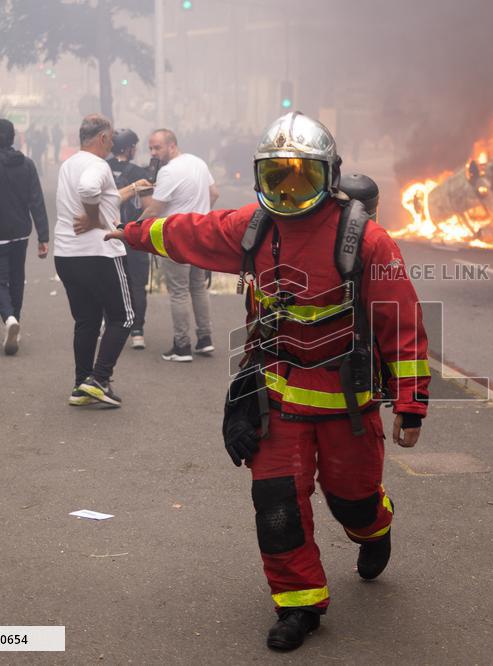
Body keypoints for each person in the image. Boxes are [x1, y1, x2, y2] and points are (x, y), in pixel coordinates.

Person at [108, 112, 430, 651]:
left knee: (351, 499)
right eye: (274, 176)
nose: (286, 188)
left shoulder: (368, 242)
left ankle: (373, 526)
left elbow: (403, 324)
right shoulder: (253, 228)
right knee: (277, 504)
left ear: (328, 177)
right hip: (275, 395)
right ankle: (299, 605)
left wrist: (411, 405)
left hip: (346, 402)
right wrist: (133, 234)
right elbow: (193, 231)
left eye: (300, 176)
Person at [54, 114, 149, 407]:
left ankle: (82, 384)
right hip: (100, 253)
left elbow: (102, 196)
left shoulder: (69, 163)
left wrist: (132, 189)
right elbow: (88, 190)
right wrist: (95, 219)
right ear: (103, 138)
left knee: (87, 321)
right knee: (124, 317)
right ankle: (99, 378)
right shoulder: (97, 165)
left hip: (67, 254)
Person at [0, 119, 49, 355]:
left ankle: (10, 319)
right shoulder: (28, 165)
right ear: (13, 138)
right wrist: (42, 237)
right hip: (20, 233)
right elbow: (37, 201)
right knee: (16, 278)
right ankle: (15, 322)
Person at [137, 129, 218, 362]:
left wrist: (133, 228)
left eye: (157, 148)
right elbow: (214, 193)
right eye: (150, 148)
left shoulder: (169, 172)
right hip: (200, 233)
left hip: (176, 237)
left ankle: (181, 346)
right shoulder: (198, 162)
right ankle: (205, 339)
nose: (153, 153)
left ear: (172, 146)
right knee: (198, 287)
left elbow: (155, 208)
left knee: (179, 291)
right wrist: (199, 212)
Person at [107, 128, 152, 350]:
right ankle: (137, 332)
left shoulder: (103, 168)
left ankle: (110, 325)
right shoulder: (138, 173)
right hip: (132, 236)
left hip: (106, 235)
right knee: (137, 283)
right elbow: (148, 207)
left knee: (109, 282)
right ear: (129, 148)